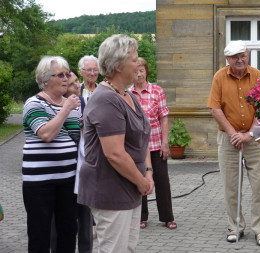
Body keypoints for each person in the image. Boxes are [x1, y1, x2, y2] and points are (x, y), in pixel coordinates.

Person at [77, 34, 154, 252]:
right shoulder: (106, 100)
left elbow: (142, 139)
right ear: (118, 65)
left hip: (130, 187)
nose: (138, 64)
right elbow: (115, 154)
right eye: (134, 60)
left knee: (127, 248)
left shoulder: (128, 95)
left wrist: (148, 171)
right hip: (109, 190)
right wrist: (141, 181)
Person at [207, 40, 260, 246]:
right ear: (228, 59)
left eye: (243, 55)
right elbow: (214, 108)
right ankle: (235, 227)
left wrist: (250, 134)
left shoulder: (258, 75)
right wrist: (233, 133)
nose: (240, 59)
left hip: (257, 134)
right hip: (228, 136)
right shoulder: (219, 77)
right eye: (235, 57)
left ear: (248, 55)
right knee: (231, 186)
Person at [22, 55, 82, 252]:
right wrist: (65, 109)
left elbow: (75, 139)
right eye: (61, 75)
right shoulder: (34, 103)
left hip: (68, 180)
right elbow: (46, 134)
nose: (67, 79)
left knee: (68, 231)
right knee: (40, 233)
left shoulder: (72, 106)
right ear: (45, 79)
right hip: (39, 182)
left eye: (67, 74)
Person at [128, 57, 177, 230]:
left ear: (147, 72)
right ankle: (141, 217)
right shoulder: (127, 93)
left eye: (141, 70)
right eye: (135, 71)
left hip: (156, 144)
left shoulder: (157, 91)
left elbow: (164, 118)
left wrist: (165, 143)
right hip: (137, 147)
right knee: (139, 179)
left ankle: (167, 217)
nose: (139, 74)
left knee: (162, 180)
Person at [50, 68, 92, 253]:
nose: (76, 85)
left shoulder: (82, 102)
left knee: (85, 216)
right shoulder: (53, 104)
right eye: (73, 82)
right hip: (62, 170)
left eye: (76, 81)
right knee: (59, 220)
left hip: (81, 168)